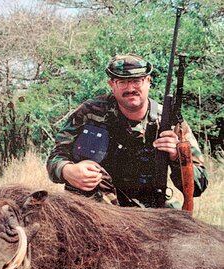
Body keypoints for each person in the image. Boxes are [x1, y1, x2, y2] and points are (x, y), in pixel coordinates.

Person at [46, 54, 208, 208]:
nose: (130, 88)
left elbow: (199, 185)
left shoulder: (169, 122)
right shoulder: (89, 113)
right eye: (122, 82)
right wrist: (67, 171)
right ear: (112, 85)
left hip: (150, 210)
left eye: (136, 81)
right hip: (96, 208)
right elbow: (55, 157)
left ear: (148, 81)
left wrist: (177, 156)